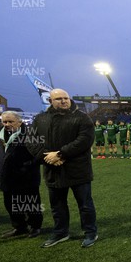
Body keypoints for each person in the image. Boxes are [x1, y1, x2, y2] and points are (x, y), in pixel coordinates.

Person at [27, 88, 98, 248]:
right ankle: (61, 232)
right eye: (59, 98)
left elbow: (85, 140)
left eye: (66, 98)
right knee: (57, 205)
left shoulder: (81, 117)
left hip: (78, 169)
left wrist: (60, 154)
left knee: (85, 204)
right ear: (50, 101)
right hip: (53, 169)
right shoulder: (41, 119)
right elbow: (31, 141)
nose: (64, 101)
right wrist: (47, 157)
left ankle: (90, 232)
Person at [0, 111, 43, 238]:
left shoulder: (30, 134)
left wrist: (26, 167)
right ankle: (19, 227)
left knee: (30, 203)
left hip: (26, 177)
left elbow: (38, 154)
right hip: (6, 176)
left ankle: (35, 227)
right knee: (10, 204)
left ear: (20, 122)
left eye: (10, 122)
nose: (7, 124)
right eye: (4, 122)